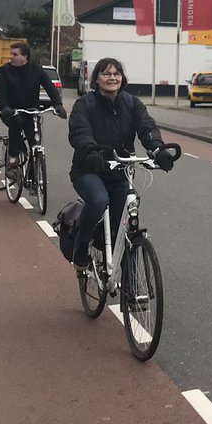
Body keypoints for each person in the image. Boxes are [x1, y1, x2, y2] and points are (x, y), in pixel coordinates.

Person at [67, 58, 174, 271]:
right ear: (96, 79)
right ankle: (82, 245)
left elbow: (146, 127)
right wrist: (91, 151)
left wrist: (158, 149)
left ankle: (127, 281)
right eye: (106, 74)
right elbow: (80, 132)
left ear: (122, 78)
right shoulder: (85, 104)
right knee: (98, 201)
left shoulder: (131, 103)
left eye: (116, 74)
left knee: (123, 220)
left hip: (121, 169)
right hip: (89, 168)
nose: (112, 78)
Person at [0, 42, 66, 169]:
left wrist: (58, 104)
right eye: (11, 54)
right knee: (17, 122)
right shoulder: (6, 70)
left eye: (15, 54)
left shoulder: (36, 69)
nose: (11, 57)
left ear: (25, 56)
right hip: (11, 111)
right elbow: (0, 91)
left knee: (34, 140)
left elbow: (50, 87)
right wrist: (4, 107)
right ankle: (12, 157)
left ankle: (34, 177)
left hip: (31, 111)